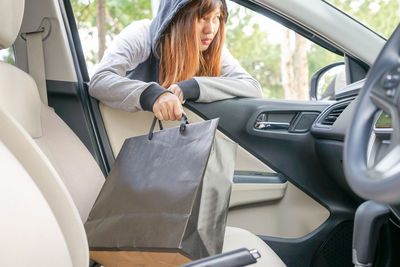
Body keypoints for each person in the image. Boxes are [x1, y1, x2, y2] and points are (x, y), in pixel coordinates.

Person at [89, 0, 263, 121]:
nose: (211, 29)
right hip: (130, 133)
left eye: (216, 18)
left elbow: (252, 87)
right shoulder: (142, 34)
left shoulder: (210, 48)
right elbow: (100, 80)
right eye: (202, 18)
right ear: (178, 18)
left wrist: (194, 87)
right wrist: (154, 94)